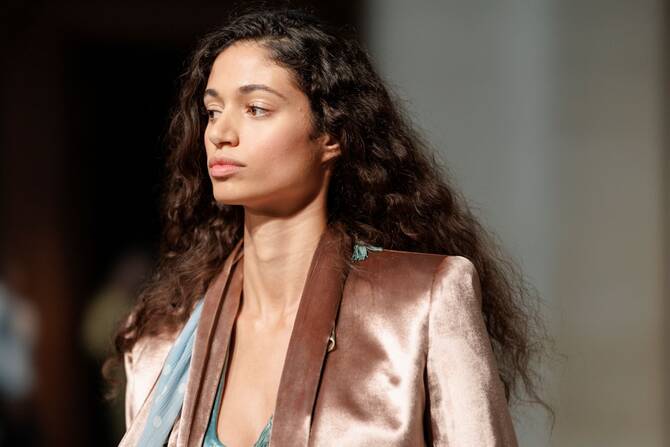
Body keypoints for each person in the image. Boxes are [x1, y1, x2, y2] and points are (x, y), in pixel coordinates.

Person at [105, 7, 552, 447]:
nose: (221, 133)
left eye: (256, 108)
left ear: (331, 134)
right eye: (213, 110)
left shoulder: (420, 304)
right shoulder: (161, 341)